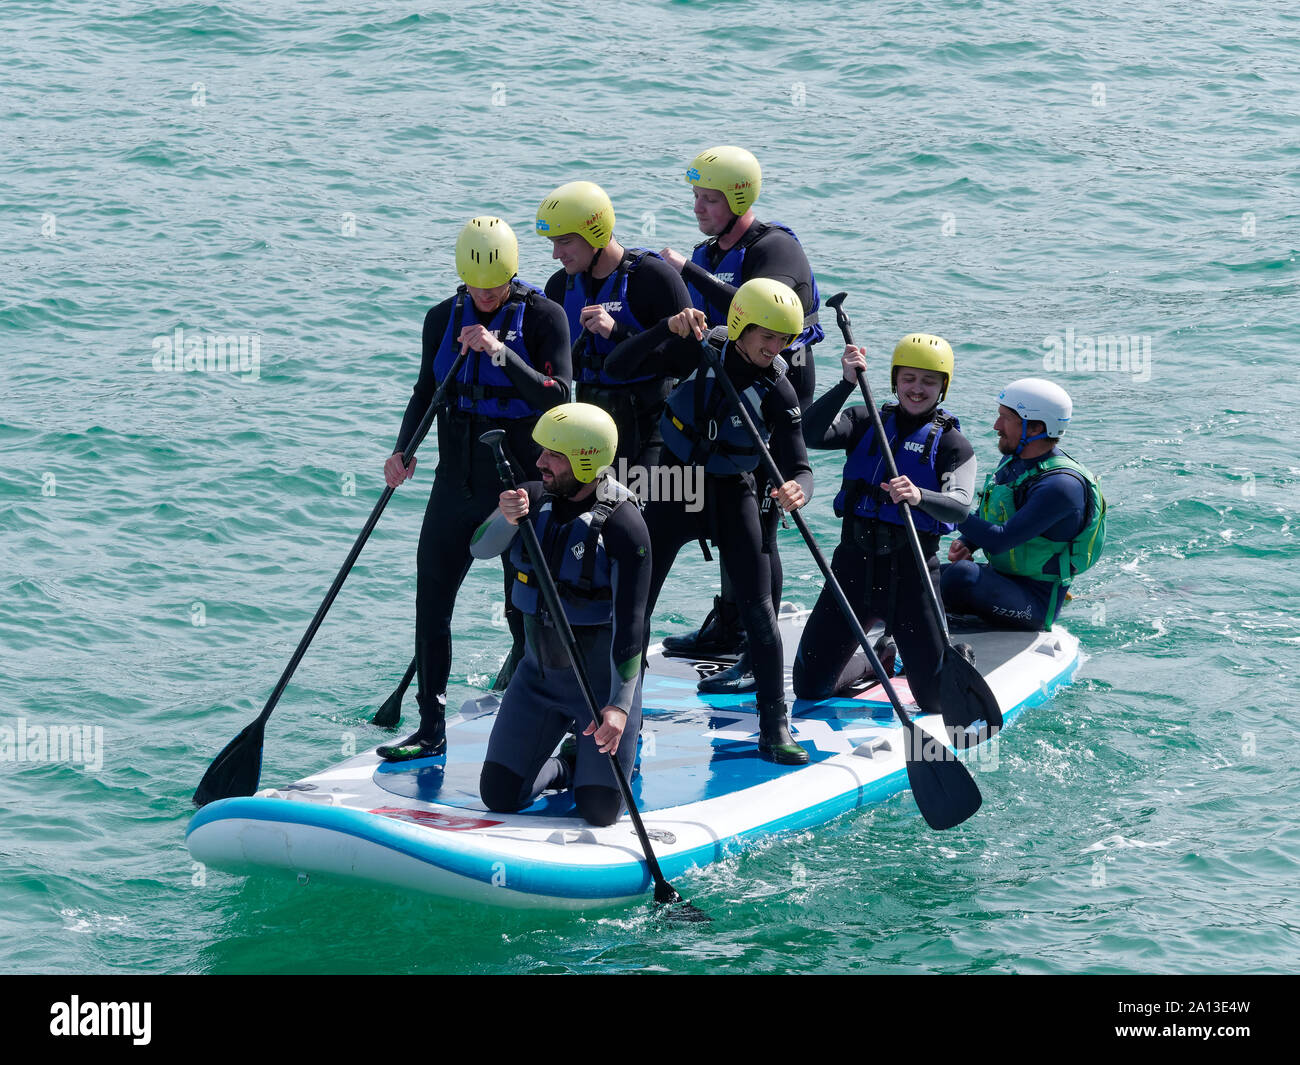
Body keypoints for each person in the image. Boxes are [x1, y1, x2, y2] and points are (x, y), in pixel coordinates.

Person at [378, 216, 571, 762]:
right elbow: (425, 390)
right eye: (477, 286)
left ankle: (541, 707)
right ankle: (430, 726)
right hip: (455, 483)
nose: (486, 295)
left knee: (525, 606)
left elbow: (560, 398)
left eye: (497, 285)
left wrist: (499, 353)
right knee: (431, 603)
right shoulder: (442, 317)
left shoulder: (543, 318)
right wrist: (403, 450)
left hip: (523, 483)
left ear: (513, 274)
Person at [605, 277, 813, 764]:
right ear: (738, 323)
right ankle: (613, 710)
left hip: (733, 491)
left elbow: (799, 462)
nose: (775, 347)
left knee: (760, 610)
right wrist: (664, 328)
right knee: (634, 603)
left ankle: (774, 724)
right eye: (767, 334)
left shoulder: (777, 389)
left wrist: (798, 486)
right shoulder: (696, 350)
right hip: (673, 486)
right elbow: (617, 366)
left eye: (784, 339)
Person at [657, 146, 825, 672]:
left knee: (761, 522)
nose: (698, 209)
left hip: (776, 389)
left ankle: (758, 646)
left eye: (709, 200)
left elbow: (752, 307)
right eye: (696, 198)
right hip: (727, 395)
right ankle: (729, 626)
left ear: (738, 199)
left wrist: (687, 271)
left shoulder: (777, 249)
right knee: (725, 509)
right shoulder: (707, 251)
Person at [469, 403, 651, 827]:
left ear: (585, 459)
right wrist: (505, 517)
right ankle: (564, 768)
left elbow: (632, 626)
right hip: (537, 679)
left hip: (601, 688)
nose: (539, 463)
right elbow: (478, 547)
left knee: (599, 812)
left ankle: (605, 761)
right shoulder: (530, 499)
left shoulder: (625, 526)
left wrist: (620, 708)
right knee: (499, 796)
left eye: (552, 455)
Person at [794, 335, 977, 711]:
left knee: (934, 702)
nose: (917, 389)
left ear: (943, 386)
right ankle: (874, 660)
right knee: (810, 687)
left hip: (912, 577)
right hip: (852, 569)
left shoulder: (953, 445)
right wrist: (846, 383)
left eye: (929, 381)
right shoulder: (864, 421)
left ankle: (955, 654)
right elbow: (809, 434)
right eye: (909, 378)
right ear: (895, 380)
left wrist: (919, 496)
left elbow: (960, 508)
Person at [536, 181, 691, 471]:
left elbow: (686, 363)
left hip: (650, 425)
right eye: (553, 243)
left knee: (641, 509)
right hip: (587, 426)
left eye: (565, 241)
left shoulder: (655, 279)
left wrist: (619, 333)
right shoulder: (558, 286)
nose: (556, 254)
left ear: (594, 232)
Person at [941, 379, 1106, 631]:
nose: (996, 426)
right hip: (1000, 579)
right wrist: (967, 542)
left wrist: (937, 504)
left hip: (1035, 603)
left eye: (1005, 418)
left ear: (1035, 428)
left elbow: (1000, 540)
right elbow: (995, 514)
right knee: (916, 572)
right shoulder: (1012, 461)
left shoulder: (1061, 486)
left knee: (960, 576)